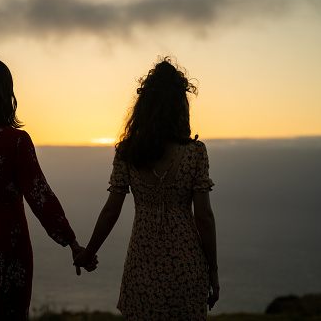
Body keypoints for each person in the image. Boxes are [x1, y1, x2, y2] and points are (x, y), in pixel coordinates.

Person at [0, 58, 94, 321]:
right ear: (6, 93)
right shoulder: (16, 141)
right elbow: (39, 194)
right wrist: (70, 240)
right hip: (9, 239)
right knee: (7, 310)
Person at [74, 57, 219, 320]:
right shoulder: (195, 153)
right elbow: (204, 217)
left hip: (142, 268)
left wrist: (88, 252)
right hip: (187, 268)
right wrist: (214, 271)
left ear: (143, 107)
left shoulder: (128, 152)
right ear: (180, 105)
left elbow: (110, 211)